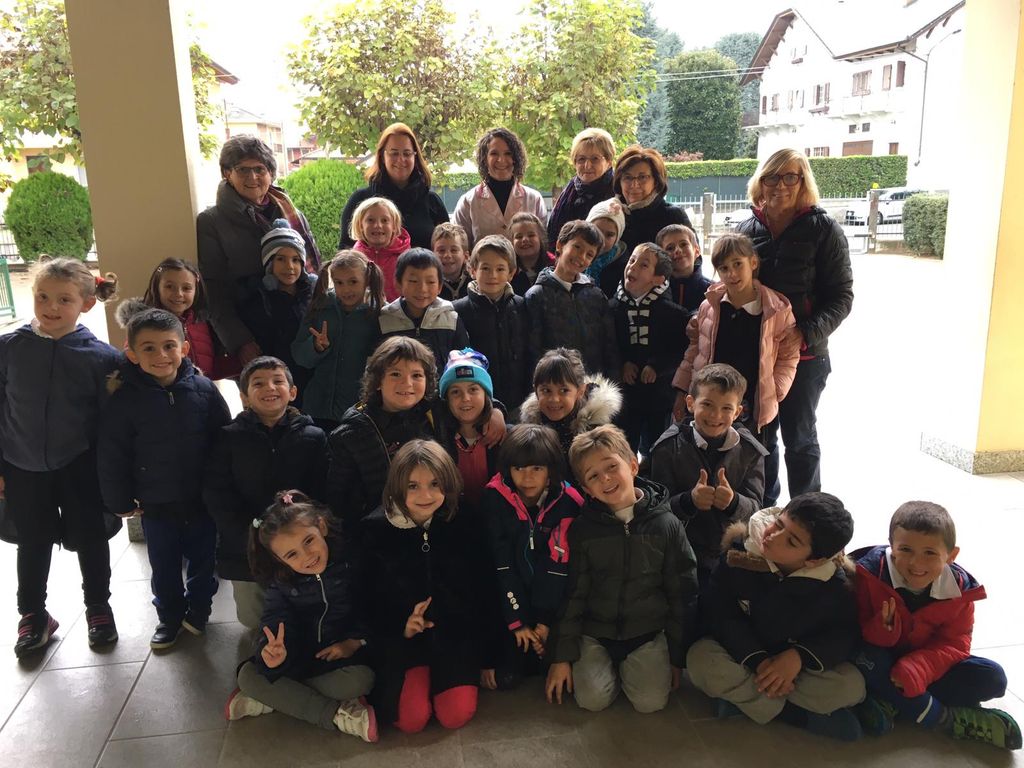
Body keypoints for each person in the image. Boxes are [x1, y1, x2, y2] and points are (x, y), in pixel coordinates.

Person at [0, 259, 123, 656]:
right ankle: (33, 614)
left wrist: (114, 475)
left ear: (86, 303)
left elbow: (111, 422)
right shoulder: (9, 348)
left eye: (64, 299)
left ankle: (98, 607)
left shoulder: (102, 358)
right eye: (43, 297)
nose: (51, 307)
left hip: (79, 466)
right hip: (21, 465)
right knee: (32, 541)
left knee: (90, 538)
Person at [99, 308, 230, 649]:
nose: (161, 355)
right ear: (132, 353)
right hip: (156, 505)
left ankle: (199, 610)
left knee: (204, 562)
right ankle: (169, 616)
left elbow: (225, 443)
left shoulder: (204, 390)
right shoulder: (124, 401)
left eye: (169, 346)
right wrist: (119, 501)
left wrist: (222, 490)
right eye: (149, 348)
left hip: (201, 501)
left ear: (184, 348)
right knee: (164, 567)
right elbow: (113, 456)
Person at [686, 493, 866, 741]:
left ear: (814, 560)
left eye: (791, 541)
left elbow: (842, 635)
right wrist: (758, 661)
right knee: (700, 660)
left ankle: (743, 701)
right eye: (778, 524)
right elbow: (720, 612)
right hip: (743, 654)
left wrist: (798, 658)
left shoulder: (835, 586)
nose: (773, 536)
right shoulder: (739, 555)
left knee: (851, 686)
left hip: (793, 666)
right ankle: (796, 716)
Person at [546, 425, 697, 713]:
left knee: (650, 702)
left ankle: (634, 668)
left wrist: (676, 657)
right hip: (595, 630)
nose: (605, 478)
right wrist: (561, 657)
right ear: (586, 489)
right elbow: (574, 594)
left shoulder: (667, 525)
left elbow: (683, 592)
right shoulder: (583, 530)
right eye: (593, 476)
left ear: (632, 465)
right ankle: (607, 669)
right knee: (591, 700)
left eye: (612, 467)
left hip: (647, 631)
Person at [851, 501, 1021, 750]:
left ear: (951, 556)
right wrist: (882, 630)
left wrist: (917, 669)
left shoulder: (960, 591)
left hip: (925, 666)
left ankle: (892, 701)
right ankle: (945, 719)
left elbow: (955, 644)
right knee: (868, 661)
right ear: (891, 547)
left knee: (992, 678)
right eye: (905, 549)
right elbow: (853, 633)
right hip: (880, 659)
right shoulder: (868, 575)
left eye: (929, 553)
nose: (916, 563)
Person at [736, 149, 853, 505]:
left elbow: (842, 296)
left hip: (806, 357)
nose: (781, 185)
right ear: (760, 182)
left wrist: (804, 332)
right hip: (756, 357)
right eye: (772, 177)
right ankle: (764, 511)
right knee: (760, 439)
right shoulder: (747, 229)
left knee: (800, 439)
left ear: (803, 182)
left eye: (790, 177)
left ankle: (806, 514)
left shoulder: (824, 229)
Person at [226, 491, 378, 742]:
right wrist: (272, 653)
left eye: (309, 541)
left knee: (361, 680)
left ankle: (279, 698)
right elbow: (274, 620)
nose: (306, 556)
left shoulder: (351, 561)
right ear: (279, 559)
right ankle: (333, 714)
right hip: (295, 657)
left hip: (338, 656)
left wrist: (354, 641)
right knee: (247, 676)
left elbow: (372, 607)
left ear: (322, 526)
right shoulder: (280, 583)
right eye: (291, 555)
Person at [360, 440, 483, 733]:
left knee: (455, 715)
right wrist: (401, 627)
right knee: (410, 720)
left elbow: (482, 589)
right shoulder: (374, 529)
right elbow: (366, 601)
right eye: (412, 486)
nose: (425, 495)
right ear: (397, 486)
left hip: (454, 640)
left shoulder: (465, 520)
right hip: (403, 644)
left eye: (435, 484)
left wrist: (488, 654)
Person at [327, 337, 505, 532]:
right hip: (382, 530)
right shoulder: (352, 432)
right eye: (396, 374)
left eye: (417, 375)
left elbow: (466, 400)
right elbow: (339, 500)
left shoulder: (435, 411)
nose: (407, 383)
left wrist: (495, 410)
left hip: (440, 522)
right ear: (378, 381)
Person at [671, 233, 800, 498]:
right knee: (716, 455)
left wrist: (774, 390)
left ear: (753, 263)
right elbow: (695, 349)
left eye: (737, 264)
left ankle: (764, 505)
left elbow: (788, 356)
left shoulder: (776, 309)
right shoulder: (709, 306)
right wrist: (683, 389)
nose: (731, 274)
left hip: (755, 402)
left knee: (761, 456)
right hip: (714, 400)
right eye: (723, 268)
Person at [203, 357, 327, 629]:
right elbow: (218, 493)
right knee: (255, 618)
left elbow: (322, 491)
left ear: (292, 392)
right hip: (245, 547)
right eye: (258, 383)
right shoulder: (228, 438)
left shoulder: (313, 436)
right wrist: (252, 533)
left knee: (304, 612)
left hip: (299, 543)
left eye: (277, 381)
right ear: (244, 397)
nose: (269, 387)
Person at [197, 135, 320, 365]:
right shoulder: (212, 221)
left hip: (301, 330)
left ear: (270, 173)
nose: (252, 177)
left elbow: (313, 271)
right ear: (227, 173)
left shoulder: (290, 213)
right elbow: (213, 290)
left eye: (259, 169)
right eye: (242, 169)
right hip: (253, 334)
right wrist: (240, 341)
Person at [481, 423, 583, 688]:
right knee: (507, 677)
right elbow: (502, 566)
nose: (527, 478)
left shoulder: (569, 502)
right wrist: (518, 622)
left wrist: (544, 623)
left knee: (555, 668)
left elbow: (558, 567)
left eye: (537, 468)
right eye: (519, 469)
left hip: (553, 600)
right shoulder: (494, 498)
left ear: (551, 469)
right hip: (508, 599)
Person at [647, 364, 767, 587]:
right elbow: (656, 510)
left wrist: (734, 502)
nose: (715, 415)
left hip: (731, 558)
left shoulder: (751, 452)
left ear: (738, 412)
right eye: (707, 404)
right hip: (680, 554)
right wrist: (688, 501)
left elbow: (757, 511)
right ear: (690, 403)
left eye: (726, 408)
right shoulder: (666, 448)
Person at [292, 250, 385, 433]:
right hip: (317, 407)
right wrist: (315, 346)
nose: (346, 289)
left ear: (367, 279)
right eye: (339, 282)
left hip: (358, 410)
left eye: (353, 282)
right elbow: (299, 355)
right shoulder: (320, 307)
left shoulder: (379, 314)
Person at [609, 242, 687, 455]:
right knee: (624, 446)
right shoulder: (611, 308)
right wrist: (623, 363)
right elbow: (609, 343)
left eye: (643, 265)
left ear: (658, 279)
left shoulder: (673, 314)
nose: (632, 267)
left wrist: (656, 366)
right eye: (632, 260)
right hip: (625, 397)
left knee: (657, 447)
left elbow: (679, 350)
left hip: (659, 397)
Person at [525, 220, 620, 380]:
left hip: (593, 383)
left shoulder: (596, 296)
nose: (581, 257)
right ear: (560, 245)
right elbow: (532, 351)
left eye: (589, 254)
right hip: (556, 384)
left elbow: (609, 345)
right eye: (577, 247)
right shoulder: (536, 295)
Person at [238, 220, 317, 404]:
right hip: (275, 380)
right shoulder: (258, 300)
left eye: (295, 260)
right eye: (281, 259)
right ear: (269, 263)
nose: (289, 266)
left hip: (310, 377)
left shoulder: (313, 295)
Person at [338, 122, 449, 250]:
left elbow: (448, 248)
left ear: (415, 156)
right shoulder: (360, 201)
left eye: (407, 153)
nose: (401, 159)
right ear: (382, 156)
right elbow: (345, 252)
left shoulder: (432, 202)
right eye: (394, 153)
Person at [453, 235, 530, 414]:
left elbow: (530, 353)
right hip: (477, 405)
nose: (493, 275)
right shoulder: (458, 310)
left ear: (511, 273)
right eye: (485, 268)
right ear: (473, 270)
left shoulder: (522, 306)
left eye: (500, 269)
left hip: (519, 401)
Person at [138, 258, 239, 379]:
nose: (179, 294)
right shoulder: (144, 329)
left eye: (186, 288)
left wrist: (244, 362)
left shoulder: (199, 322)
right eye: (169, 286)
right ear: (156, 287)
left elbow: (208, 369)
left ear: (196, 291)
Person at [378, 248, 470, 373]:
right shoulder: (386, 320)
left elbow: (464, 363)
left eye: (430, 282)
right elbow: (376, 366)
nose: (422, 289)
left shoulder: (450, 318)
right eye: (413, 281)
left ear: (440, 286)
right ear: (398, 284)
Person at [453, 127, 546, 248]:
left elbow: (543, 245)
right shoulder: (468, 202)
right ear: (484, 159)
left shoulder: (534, 199)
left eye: (508, 153)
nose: (501, 160)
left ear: (516, 158)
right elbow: (460, 248)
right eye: (494, 153)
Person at [519, 348, 622, 457]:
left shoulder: (601, 429)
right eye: (546, 390)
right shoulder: (528, 427)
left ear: (580, 391)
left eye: (564, 390)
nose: (554, 399)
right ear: (536, 391)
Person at [436, 349, 498, 507]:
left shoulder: (504, 435)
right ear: (447, 399)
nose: (465, 398)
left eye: (473, 389)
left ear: (486, 395)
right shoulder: (438, 437)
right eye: (455, 392)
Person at [612, 145, 692, 260]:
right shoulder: (610, 213)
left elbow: (693, 261)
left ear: (656, 181)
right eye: (627, 178)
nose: (634, 185)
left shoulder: (673, 216)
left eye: (642, 177)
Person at [547, 128, 617, 248]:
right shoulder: (570, 192)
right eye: (581, 159)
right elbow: (553, 236)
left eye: (595, 159)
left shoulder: (618, 190)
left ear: (609, 162)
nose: (587, 165)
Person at [350, 196, 412, 302]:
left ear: (394, 226)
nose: (378, 225)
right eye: (370, 220)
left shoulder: (407, 256)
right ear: (360, 225)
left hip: (399, 311)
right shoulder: (354, 257)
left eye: (384, 220)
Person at [657, 224, 710, 315]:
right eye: (670, 248)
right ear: (661, 258)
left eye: (683, 244)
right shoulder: (656, 291)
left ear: (697, 251)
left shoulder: (712, 291)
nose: (678, 250)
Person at [585, 198, 627, 296]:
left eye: (609, 235)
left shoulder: (623, 267)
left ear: (617, 238)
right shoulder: (574, 256)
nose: (601, 239)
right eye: (596, 230)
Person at [508, 212, 555, 296]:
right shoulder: (506, 269)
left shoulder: (555, 265)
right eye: (519, 236)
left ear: (540, 238)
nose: (525, 239)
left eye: (531, 235)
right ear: (512, 242)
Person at [431, 223, 471, 301]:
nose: (447, 255)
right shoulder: (428, 283)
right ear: (432, 255)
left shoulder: (475, 281)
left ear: (466, 256)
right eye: (441, 250)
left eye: (454, 250)